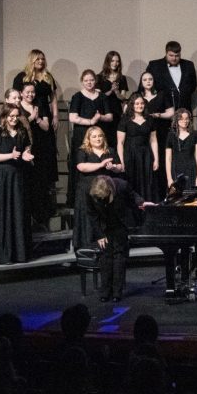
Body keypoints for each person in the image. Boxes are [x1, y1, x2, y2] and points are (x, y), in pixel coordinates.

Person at [87, 175, 155, 302]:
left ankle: (117, 293)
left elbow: (133, 196)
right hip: (104, 226)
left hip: (119, 223)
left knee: (119, 257)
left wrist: (141, 202)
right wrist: (99, 235)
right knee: (106, 257)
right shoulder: (91, 192)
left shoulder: (122, 185)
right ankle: (105, 292)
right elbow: (92, 214)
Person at [0, 105, 34, 264]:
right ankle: (2, 254)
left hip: (18, 176)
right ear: (4, 117)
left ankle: (19, 254)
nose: (14, 119)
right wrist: (10, 155)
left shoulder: (22, 131)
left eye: (16, 116)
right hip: (2, 177)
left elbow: (26, 150)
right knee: (4, 212)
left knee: (18, 211)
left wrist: (27, 155)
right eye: (11, 116)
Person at [72, 127, 124, 250]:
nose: (97, 139)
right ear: (88, 139)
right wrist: (101, 165)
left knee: (106, 215)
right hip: (87, 189)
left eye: (100, 136)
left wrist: (113, 167)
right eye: (94, 136)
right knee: (88, 215)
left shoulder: (110, 150)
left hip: (105, 189)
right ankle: (87, 246)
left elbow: (120, 167)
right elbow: (81, 167)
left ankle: (108, 243)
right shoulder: (83, 151)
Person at [67, 70, 110, 210]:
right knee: (81, 163)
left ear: (95, 81)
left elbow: (110, 116)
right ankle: (79, 199)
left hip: (99, 136)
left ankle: (102, 195)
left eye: (91, 80)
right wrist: (91, 121)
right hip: (82, 135)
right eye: (86, 80)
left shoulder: (102, 97)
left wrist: (99, 118)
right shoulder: (77, 97)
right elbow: (72, 117)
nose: (89, 83)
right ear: (82, 81)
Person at [20, 82, 56, 228]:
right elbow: (16, 126)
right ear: (21, 93)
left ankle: (41, 217)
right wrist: (30, 118)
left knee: (40, 181)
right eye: (27, 92)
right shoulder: (17, 107)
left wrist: (37, 118)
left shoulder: (39, 105)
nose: (30, 94)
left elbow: (47, 127)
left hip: (40, 146)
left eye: (32, 92)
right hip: (25, 146)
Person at [117, 94, 160, 202]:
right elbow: (120, 142)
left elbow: (153, 140)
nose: (140, 105)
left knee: (147, 182)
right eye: (137, 103)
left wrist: (156, 159)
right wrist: (121, 161)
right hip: (130, 154)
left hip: (146, 154)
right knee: (132, 181)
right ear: (132, 105)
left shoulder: (150, 119)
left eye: (142, 103)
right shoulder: (125, 120)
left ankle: (147, 209)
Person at [136, 71, 175, 189]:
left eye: (150, 79)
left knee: (161, 161)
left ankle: (162, 191)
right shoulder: (137, 95)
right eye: (145, 80)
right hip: (143, 133)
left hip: (161, 131)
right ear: (141, 82)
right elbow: (128, 111)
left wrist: (160, 115)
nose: (148, 81)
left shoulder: (162, 95)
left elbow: (171, 112)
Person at [11, 49, 59, 135]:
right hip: (27, 112)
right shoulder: (22, 76)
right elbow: (15, 97)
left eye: (43, 59)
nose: (41, 61)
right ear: (32, 60)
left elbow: (53, 97)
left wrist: (55, 116)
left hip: (45, 113)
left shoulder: (48, 77)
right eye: (38, 59)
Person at [145, 41, 197, 110]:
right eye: (171, 55)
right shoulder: (154, 66)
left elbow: (193, 85)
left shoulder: (189, 65)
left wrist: (183, 94)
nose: (174, 58)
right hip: (162, 110)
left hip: (184, 110)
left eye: (177, 56)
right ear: (166, 53)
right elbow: (147, 86)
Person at [95, 50, 128, 142]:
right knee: (104, 137)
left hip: (116, 111)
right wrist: (111, 91)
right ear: (108, 61)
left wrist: (116, 91)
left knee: (115, 138)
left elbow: (123, 97)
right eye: (112, 61)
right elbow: (98, 97)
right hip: (104, 111)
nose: (115, 63)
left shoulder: (122, 78)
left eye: (117, 61)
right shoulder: (99, 77)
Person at [165, 108, 197, 189]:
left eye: (186, 119)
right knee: (176, 198)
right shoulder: (171, 135)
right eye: (181, 119)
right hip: (176, 170)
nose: (184, 121)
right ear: (176, 120)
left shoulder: (194, 134)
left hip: (191, 170)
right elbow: (168, 158)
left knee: (192, 197)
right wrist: (169, 178)